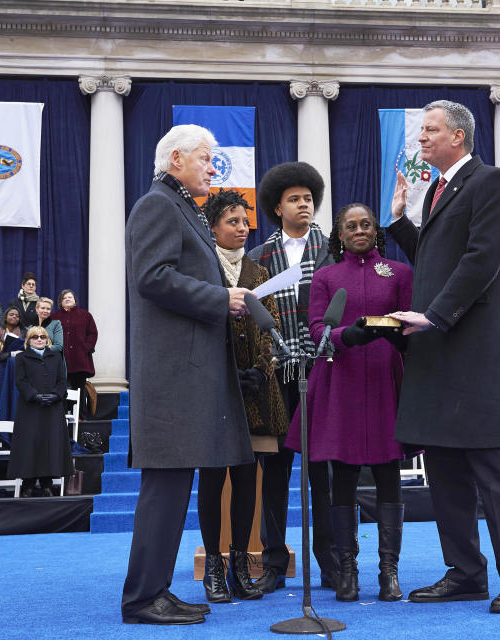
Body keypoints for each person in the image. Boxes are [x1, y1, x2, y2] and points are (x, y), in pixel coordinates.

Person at [388, 100, 500, 613]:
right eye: (421, 131)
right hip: (438, 349)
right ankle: (466, 573)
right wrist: (401, 225)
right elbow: (437, 262)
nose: (422, 139)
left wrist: (435, 315)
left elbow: (481, 260)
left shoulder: (490, 182)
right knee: (445, 467)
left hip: (473, 351)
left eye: (430, 130)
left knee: (495, 469)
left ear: (458, 135)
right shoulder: (436, 190)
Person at [120, 124, 253, 626]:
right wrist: (222, 297)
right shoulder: (158, 204)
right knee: (166, 487)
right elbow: (152, 277)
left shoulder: (179, 207)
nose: (212, 167)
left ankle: (155, 589)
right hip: (173, 374)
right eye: (205, 158)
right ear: (175, 158)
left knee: (174, 487)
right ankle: (142, 598)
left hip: (184, 371)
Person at [285, 202, 413, 602]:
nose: (359, 230)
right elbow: (318, 327)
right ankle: (347, 571)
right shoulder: (324, 276)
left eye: (366, 224)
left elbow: (412, 322)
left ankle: (389, 572)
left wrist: (399, 333)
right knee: (342, 475)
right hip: (340, 379)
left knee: (389, 472)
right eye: (350, 226)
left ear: (377, 231)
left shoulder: (401, 272)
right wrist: (346, 336)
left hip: (384, 378)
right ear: (339, 235)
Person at [247, 161, 338, 594]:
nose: (304, 204)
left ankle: (331, 562)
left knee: (324, 472)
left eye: (308, 198)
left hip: (323, 371)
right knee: (276, 471)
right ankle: (273, 563)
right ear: (277, 207)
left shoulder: (334, 250)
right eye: (294, 199)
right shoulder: (257, 257)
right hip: (277, 373)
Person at [197, 189, 287, 604]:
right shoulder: (200, 267)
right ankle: (213, 567)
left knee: (249, 481)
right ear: (213, 226)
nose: (242, 227)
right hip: (213, 394)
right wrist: (223, 374)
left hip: (253, 396)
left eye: (245, 221)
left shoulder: (257, 270)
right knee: (213, 480)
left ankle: (239, 566)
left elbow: (270, 332)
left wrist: (259, 372)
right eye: (232, 221)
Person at [8, 326, 73, 497]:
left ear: (47, 339)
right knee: (30, 444)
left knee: (49, 445)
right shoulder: (22, 358)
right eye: (35, 337)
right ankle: (28, 485)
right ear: (28, 340)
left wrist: (55, 395)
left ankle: (47, 484)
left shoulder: (56, 357)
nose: (39, 339)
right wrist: (34, 396)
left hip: (53, 407)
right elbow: (20, 382)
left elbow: (62, 380)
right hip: (30, 408)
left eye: (42, 336)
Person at [50, 289, 97, 417]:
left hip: (79, 360)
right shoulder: (54, 317)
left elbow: (93, 333)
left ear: (75, 300)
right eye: (64, 298)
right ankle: (61, 416)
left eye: (70, 297)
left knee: (80, 389)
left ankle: (81, 417)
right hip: (61, 360)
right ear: (61, 301)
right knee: (61, 389)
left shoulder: (85, 315)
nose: (67, 299)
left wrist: (86, 348)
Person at [0, 308, 26, 419]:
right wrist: (10, 354)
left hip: (18, 371)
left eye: (17, 315)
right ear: (5, 316)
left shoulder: (25, 332)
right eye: (11, 314)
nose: (14, 317)